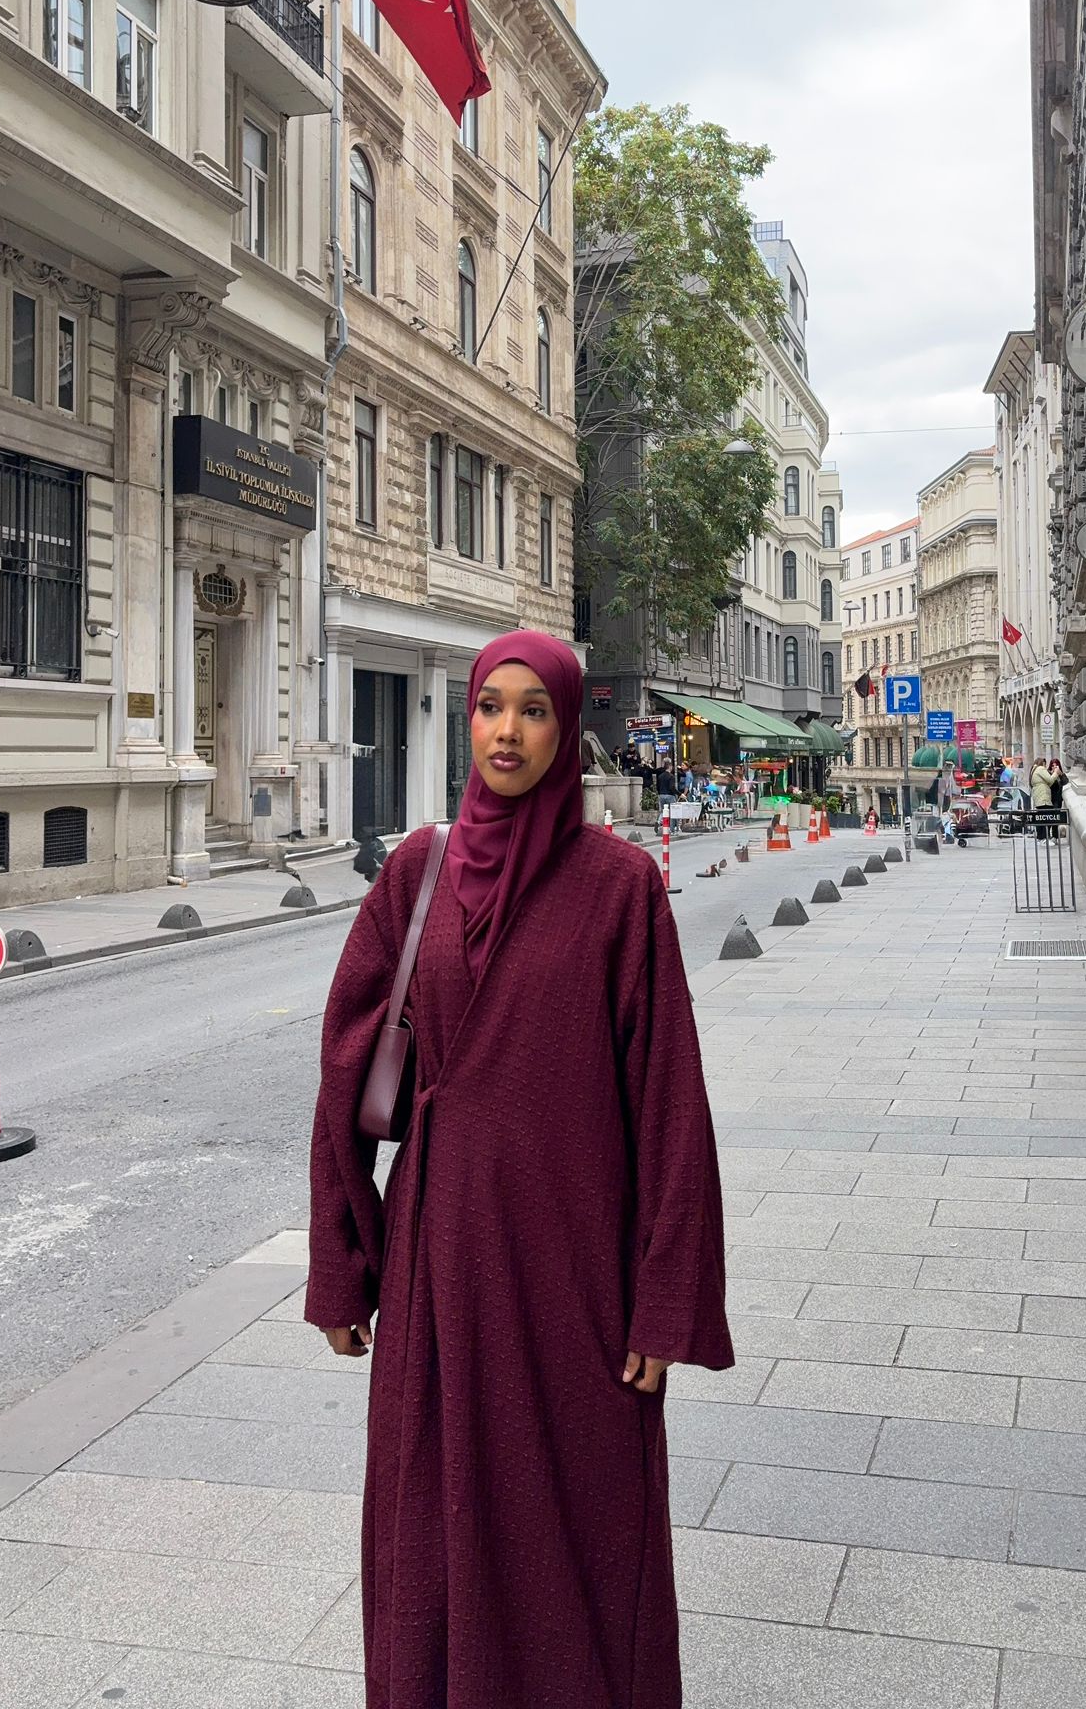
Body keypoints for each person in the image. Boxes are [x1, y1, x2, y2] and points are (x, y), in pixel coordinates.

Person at [307, 631, 732, 1709]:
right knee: (432, 1508)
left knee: (584, 1517)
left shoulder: (621, 885)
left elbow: (669, 1104)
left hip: (578, 1268)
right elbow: (347, 1065)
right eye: (490, 706)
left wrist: (664, 1304)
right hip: (441, 1260)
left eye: (533, 709)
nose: (506, 730)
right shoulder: (420, 869)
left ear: (568, 727)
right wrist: (341, 1263)